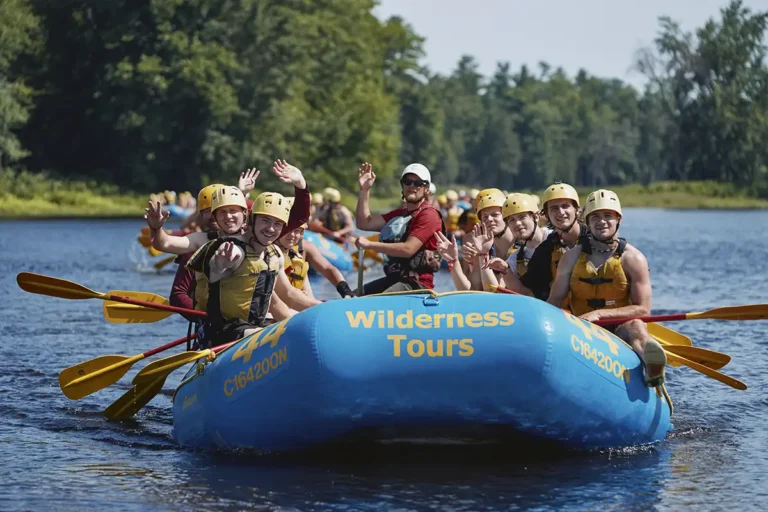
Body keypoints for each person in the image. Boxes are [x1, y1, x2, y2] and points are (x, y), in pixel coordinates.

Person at [547, 189, 666, 387]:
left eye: (608, 216)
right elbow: (554, 301)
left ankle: (652, 364)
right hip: (581, 330)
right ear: (587, 221)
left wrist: (600, 314)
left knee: (636, 325)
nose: (602, 221)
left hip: (619, 329)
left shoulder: (633, 259)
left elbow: (643, 309)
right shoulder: (571, 258)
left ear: (618, 219)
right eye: (595, 217)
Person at [187, 192, 321, 348]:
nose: (271, 228)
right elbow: (216, 272)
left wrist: (324, 310)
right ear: (252, 220)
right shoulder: (233, 249)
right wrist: (220, 264)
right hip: (223, 333)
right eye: (265, 220)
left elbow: (288, 296)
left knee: (304, 331)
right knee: (287, 335)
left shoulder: (274, 254)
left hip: (256, 329)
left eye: (278, 223)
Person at [169, 169, 261, 320]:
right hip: (215, 325)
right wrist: (208, 318)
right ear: (202, 215)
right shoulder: (195, 247)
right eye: (208, 211)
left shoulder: (250, 237)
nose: (215, 215)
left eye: (224, 210)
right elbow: (178, 294)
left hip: (249, 318)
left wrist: (241, 192)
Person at [354, 162, 444, 294]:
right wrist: (364, 190)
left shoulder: (429, 215)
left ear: (426, 189)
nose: (412, 186)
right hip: (395, 279)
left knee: (372, 304)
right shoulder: (399, 214)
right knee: (351, 297)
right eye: (407, 182)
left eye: (418, 183)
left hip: (416, 285)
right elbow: (363, 223)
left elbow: (408, 249)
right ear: (402, 185)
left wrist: (369, 245)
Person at [500, 182, 586, 301]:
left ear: (577, 209)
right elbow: (532, 294)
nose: (560, 212)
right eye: (554, 208)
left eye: (565, 206)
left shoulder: (596, 238)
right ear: (546, 214)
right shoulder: (544, 251)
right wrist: (505, 271)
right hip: (569, 315)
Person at [276, 198, 355, 299]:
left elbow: (328, 269)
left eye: (297, 230)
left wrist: (346, 291)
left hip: (298, 302)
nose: (292, 235)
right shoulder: (267, 250)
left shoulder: (306, 247)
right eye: (287, 228)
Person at [477, 193, 550, 292]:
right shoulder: (514, 260)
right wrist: (483, 254)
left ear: (536, 216)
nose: (517, 223)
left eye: (522, 217)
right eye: (512, 220)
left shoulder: (556, 237)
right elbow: (494, 292)